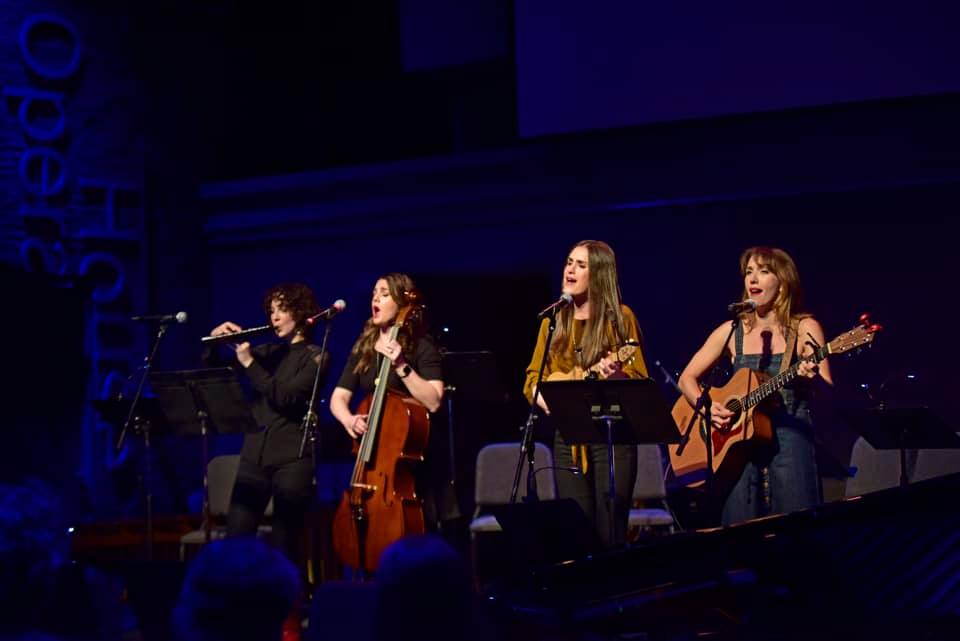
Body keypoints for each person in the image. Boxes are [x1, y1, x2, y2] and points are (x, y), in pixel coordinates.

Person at [677, 246, 832, 526]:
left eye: (763, 271)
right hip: (739, 448)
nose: (753, 279)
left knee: (797, 530)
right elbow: (686, 378)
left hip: (789, 440)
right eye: (749, 272)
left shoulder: (804, 327)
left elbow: (828, 389)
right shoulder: (732, 330)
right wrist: (708, 409)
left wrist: (811, 377)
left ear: (783, 282)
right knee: (740, 533)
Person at [523, 240, 649, 547]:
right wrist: (552, 402)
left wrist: (616, 373)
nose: (570, 270)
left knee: (610, 527)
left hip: (612, 436)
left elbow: (637, 376)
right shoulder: (554, 321)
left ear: (599, 274)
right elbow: (533, 381)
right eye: (569, 262)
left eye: (581, 265)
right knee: (577, 530)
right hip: (569, 436)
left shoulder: (620, 317)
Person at [203, 282, 328, 564]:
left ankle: (289, 606)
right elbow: (221, 375)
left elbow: (286, 397)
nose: (273, 317)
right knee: (236, 539)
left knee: (284, 544)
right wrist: (215, 344)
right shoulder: (270, 351)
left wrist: (249, 364)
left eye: (281, 310)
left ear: (300, 312)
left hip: (292, 457)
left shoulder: (316, 356)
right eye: (271, 311)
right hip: (254, 454)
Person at [329, 273, 444, 525]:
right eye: (373, 294)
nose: (375, 299)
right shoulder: (364, 347)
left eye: (384, 294)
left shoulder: (420, 346)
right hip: (369, 463)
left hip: (410, 469)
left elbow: (434, 400)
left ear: (402, 303)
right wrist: (349, 420)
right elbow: (338, 397)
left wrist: (402, 365)